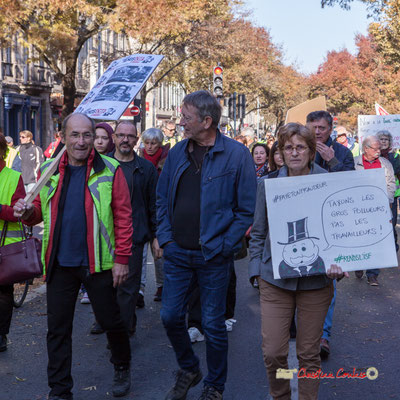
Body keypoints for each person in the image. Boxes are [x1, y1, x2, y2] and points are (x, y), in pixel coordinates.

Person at [13, 113, 133, 400]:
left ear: (94, 137)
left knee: (110, 321)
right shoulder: (50, 171)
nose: (81, 141)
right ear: (63, 137)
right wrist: (25, 211)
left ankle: (122, 364)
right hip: (60, 262)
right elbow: (37, 212)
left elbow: (124, 217)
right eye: (75, 135)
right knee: (57, 330)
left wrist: (122, 259)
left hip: (98, 262)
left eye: (86, 135)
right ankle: (60, 390)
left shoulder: (111, 170)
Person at [157, 90, 257, 400]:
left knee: (213, 325)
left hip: (214, 255)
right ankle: (189, 367)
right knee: (170, 316)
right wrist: (166, 238)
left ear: (207, 121)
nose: (181, 122)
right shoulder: (176, 152)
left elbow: (245, 210)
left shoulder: (237, 155)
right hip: (176, 253)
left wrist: (226, 244)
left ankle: (215, 386)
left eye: (186, 117)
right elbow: (161, 198)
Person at [249, 122, 347, 400]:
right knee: (274, 352)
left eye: (300, 147)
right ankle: (280, 396)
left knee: (308, 353)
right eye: (288, 147)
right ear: (280, 151)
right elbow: (258, 232)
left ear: (311, 150)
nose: (293, 153)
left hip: (316, 283)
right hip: (274, 280)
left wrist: (339, 264)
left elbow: (338, 233)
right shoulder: (267, 184)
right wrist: (256, 271)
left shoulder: (328, 183)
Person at [91, 121, 159, 337]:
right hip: (102, 237)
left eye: (130, 136)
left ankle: (124, 330)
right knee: (104, 287)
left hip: (134, 237)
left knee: (128, 289)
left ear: (136, 139)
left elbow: (154, 205)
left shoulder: (146, 169)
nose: (125, 140)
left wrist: (156, 236)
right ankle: (105, 320)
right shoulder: (99, 165)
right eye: (121, 135)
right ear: (114, 138)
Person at [306, 110, 355, 358]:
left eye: (321, 128)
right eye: (312, 128)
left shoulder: (344, 153)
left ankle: (323, 336)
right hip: (305, 223)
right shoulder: (300, 149)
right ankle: (302, 332)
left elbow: (350, 189)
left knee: (329, 281)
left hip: (333, 225)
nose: (316, 133)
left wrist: (332, 162)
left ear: (330, 129)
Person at [354, 135, 396, 286]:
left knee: (376, 240)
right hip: (358, 209)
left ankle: (373, 274)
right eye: (375, 148)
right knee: (360, 239)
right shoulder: (355, 163)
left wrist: (387, 200)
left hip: (379, 208)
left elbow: (391, 184)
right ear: (366, 149)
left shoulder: (385, 164)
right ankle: (358, 265)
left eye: (379, 148)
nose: (379, 151)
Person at [0, 133, 26, 352]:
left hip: (4, 248)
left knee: (2, 294)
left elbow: (20, 212)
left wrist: (1, 210)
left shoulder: (12, 177)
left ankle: (1, 335)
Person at [138, 128, 168, 303]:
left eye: (153, 143)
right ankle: (140, 289)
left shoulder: (167, 160)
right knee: (139, 254)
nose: (149, 147)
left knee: (159, 252)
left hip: (160, 211)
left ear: (160, 144)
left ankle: (162, 286)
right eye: (147, 143)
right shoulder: (137, 159)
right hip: (141, 210)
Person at [376, 130, 400, 251]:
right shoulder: (372, 155)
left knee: (392, 221)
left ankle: (393, 246)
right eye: (381, 139)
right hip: (376, 195)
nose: (384, 141)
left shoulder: (395, 157)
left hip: (392, 195)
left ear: (390, 142)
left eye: (386, 139)